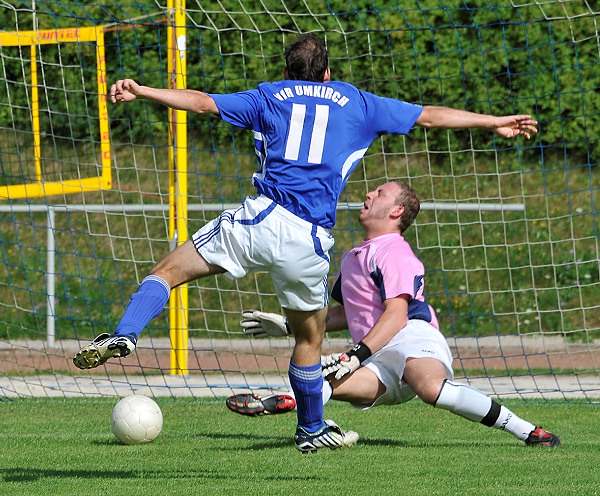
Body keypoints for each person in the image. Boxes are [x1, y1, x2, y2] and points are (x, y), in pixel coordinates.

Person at [73, 34, 539, 453]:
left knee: (166, 273)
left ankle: (126, 333)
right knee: (309, 339)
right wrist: (494, 121)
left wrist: (143, 90)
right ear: (328, 73)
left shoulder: (269, 95)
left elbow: (201, 103)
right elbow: (429, 117)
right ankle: (310, 428)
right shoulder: (357, 102)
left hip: (260, 219)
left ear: (286, 71)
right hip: (309, 240)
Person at [228, 180, 561, 448]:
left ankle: (528, 431)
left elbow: (397, 314)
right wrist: (289, 324)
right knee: (319, 383)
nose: (369, 194)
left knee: (430, 389)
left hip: (410, 337)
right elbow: (345, 314)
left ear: (397, 210)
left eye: (380, 192)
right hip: (376, 355)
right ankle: (283, 402)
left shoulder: (394, 251)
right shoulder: (352, 256)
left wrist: (356, 355)